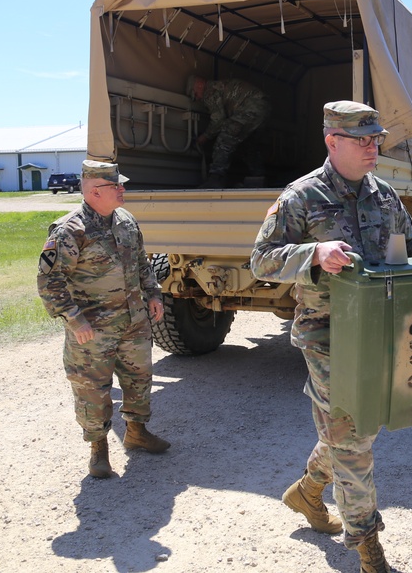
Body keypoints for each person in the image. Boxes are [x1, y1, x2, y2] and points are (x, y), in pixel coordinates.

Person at [250, 100, 412, 573]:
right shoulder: (301, 196)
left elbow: (404, 238)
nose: (372, 147)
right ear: (331, 142)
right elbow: (260, 260)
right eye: (362, 140)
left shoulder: (383, 193)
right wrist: (314, 252)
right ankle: (366, 544)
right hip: (327, 335)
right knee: (353, 437)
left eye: (376, 138)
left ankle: (307, 491)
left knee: (355, 427)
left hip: (380, 330)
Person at [37, 160, 170, 479]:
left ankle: (137, 432)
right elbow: (49, 282)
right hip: (92, 330)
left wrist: (153, 293)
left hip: (133, 321)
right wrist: (74, 320)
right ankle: (98, 450)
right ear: (95, 191)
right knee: (92, 390)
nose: (123, 189)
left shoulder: (125, 220)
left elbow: (141, 263)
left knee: (139, 378)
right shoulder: (70, 230)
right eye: (116, 186)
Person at [187, 76, 270, 187]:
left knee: (224, 139)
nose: (197, 98)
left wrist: (204, 137)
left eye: (195, 94)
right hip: (264, 108)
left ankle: (216, 178)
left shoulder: (210, 91)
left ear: (200, 84)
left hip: (251, 108)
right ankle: (259, 178)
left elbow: (218, 120)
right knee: (248, 144)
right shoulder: (219, 86)